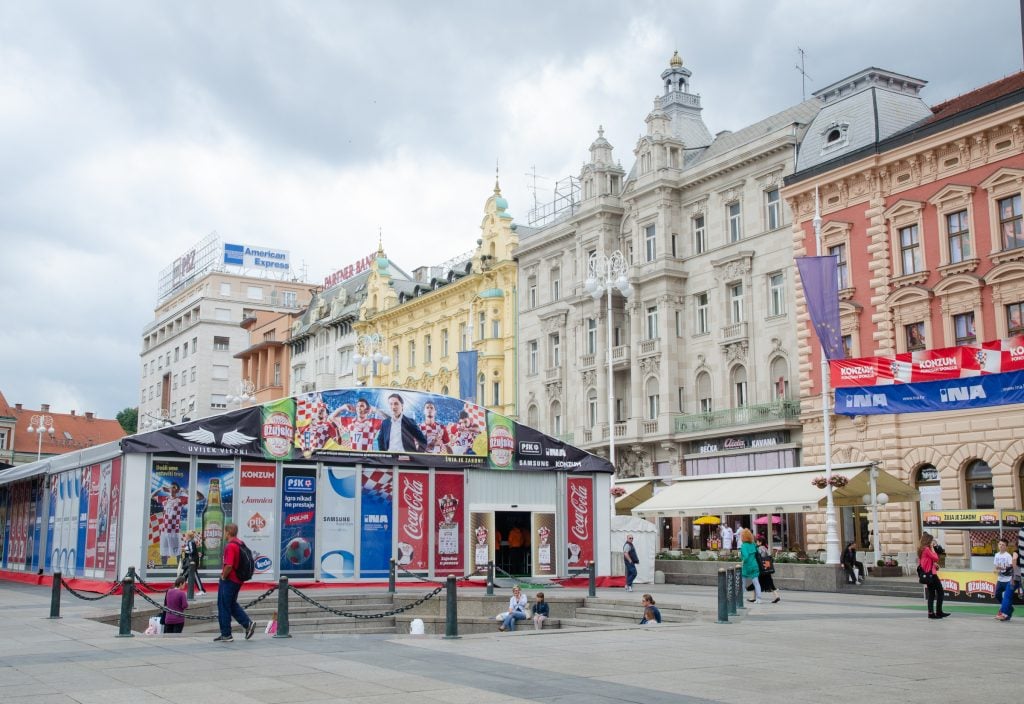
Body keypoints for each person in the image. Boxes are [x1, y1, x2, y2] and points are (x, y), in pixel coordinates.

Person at [214, 523, 257, 642]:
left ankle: (226, 634)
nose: (224, 534)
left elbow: (229, 565)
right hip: (238, 580)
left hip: (229, 580)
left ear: (227, 532)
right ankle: (247, 624)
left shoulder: (230, 546)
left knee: (223, 606)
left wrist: (223, 576)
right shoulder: (240, 543)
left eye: (224, 532)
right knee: (231, 604)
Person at [153, 482, 186, 566]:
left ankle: (180, 571)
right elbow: (151, 496)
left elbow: (200, 497)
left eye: (174, 487)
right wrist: (159, 489)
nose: (171, 488)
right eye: (170, 487)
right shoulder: (165, 499)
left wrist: (185, 491)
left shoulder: (180, 499)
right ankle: (164, 568)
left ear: (178, 490)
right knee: (164, 553)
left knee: (177, 553)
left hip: (174, 531)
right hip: (164, 531)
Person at [918, 533, 949, 620]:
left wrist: (934, 565)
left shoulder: (921, 549)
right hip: (931, 574)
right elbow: (936, 558)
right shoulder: (927, 549)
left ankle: (931, 613)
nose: (933, 542)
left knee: (932, 594)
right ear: (928, 541)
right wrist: (932, 549)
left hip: (929, 573)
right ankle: (938, 612)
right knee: (940, 592)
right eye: (932, 540)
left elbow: (926, 561)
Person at [994, 539, 1016, 621]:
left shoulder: (1008, 556)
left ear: (1006, 546)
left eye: (1003, 545)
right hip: (1000, 579)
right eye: (1000, 544)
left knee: (1007, 597)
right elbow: (996, 566)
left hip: (1008, 580)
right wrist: (996, 569)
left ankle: (1004, 613)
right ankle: (1009, 607)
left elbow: (1011, 568)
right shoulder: (996, 555)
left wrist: (1003, 568)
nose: (1001, 546)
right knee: (997, 595)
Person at [739, 528, 762, 604]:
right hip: (754, 565)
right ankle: (759, 598)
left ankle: (740, 598)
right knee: (756, 582)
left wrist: (741, 558)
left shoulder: (744, 546)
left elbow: (745, 556)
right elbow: (757, 553)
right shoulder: (753, 544)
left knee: (743, 583)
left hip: (746, 566)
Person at [756, 537, 782, 603]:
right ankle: (776, 596)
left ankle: (756, 598)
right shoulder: (765, 548)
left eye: (757, 541)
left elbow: (759, 558)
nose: (756, 542)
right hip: (767, 568)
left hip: (762, 568)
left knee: (756, 582)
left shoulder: (759, 549)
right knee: (769, 582)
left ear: (760, 542)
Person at [181, 530, 206, 594]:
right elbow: (190, 549)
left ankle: (202, 590)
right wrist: (185, 549)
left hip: (193, 561)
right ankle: (178, 587)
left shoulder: (190, 542)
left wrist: (185, 550)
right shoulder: (190, 542)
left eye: (186, 535)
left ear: (188, 536)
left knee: (194, 575)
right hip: (193, 561)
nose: (185, 536)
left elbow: (192, 551)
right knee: (185, 574)